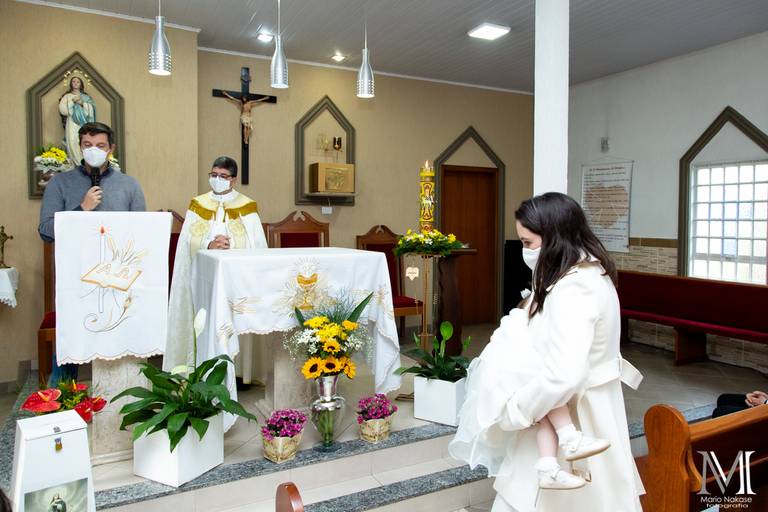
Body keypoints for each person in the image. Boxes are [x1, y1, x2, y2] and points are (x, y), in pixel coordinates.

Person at [449, 192, 644, 512]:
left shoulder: (574, 286)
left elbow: (562, 375)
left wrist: (516, 410)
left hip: (575, 413)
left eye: (528, 243)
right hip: (582, 409)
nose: (525, 252)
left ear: (554, 237)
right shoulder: (590, 273)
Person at [38, 121, 146, 385]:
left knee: (121, 340)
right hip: (76, 278)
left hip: (118, 278)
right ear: (79, 147)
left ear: (111, 149)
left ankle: (123, 394)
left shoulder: (129, 185)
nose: (93, 150)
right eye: (87, 145)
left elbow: (142, 233)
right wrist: (81, 210)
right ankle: (62, 397)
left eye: (100, 145)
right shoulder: (60, 183)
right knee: (70, 343)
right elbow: (46, 230)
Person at [164, 156, 267, 373]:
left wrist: (231, 245)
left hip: (234, 278)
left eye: (223, 176)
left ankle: (238, 372)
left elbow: (256, 245)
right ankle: (198, 367)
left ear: (233, 180)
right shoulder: (198, 204)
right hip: (204, 276)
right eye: (213, 175)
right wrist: (209, 244)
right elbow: (186, 243)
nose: (217, 179)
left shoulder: (247, 206)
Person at [58, 76, 96, 167]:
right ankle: (74, 163)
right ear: (71, 84)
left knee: (82, 140)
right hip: (72, 122)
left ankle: (83, 163)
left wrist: (82, 103)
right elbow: (62, 110)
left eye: (77, 82)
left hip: (83, 124)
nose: (75, 83)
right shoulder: (67, 96)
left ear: (81, 84)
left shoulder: (86, 97)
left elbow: (91, 111)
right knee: (72, 140)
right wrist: (72, 103)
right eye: (73, 81)